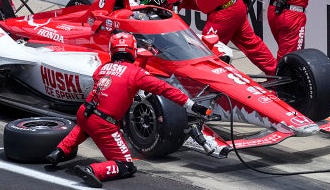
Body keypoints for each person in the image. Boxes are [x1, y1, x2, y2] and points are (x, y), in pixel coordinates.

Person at [44, 32, 210, 188]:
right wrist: (192, 105)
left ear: (112, 50)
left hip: (84, 113)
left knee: (85, 127)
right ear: (133, 51)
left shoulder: (102, 68)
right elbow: (165, 89)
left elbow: (110, 80)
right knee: (126, 165)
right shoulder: (137, 74)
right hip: (104, 123)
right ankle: (93, 170)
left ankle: (58, 152)